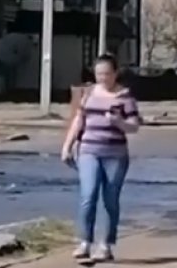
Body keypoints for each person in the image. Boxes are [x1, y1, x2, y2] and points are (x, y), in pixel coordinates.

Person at [61, 54, 141, 261]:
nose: (103, 78)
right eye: (99, 74)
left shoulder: (125, 97)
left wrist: (119, 122)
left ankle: (106, 244)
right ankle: (84, 242)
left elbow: (134, 126)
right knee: (88, 195)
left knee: (110, 200)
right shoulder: (88, 93)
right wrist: (67, 146)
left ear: (115, 73)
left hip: (115, 155)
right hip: (88, 151)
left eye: (107, 73)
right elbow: (79, 120)